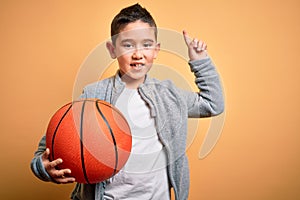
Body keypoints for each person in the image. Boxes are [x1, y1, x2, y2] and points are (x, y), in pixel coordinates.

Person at [31, 3, 224, 200]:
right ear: (112, 49)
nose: (138, 54)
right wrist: (43, 168)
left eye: (146, 44)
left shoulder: (169, 95)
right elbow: (48, 147)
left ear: (156, 50)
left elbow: (212, 104)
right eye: (128, 45)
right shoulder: (93, 96)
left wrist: (201, 62)